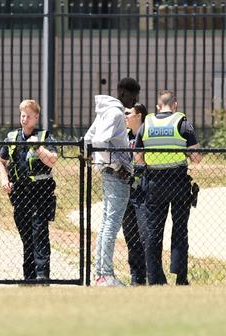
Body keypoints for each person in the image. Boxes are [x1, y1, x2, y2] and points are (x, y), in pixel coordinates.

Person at [135, 90, 202, 286]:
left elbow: (138, 158)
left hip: (154, 182)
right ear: (175, 105)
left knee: (154, 232)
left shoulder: (146, 123)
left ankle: (155, 279)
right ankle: (180, 277)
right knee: (180, 230)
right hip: (178, 181)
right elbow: (196, 157)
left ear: (158, 106)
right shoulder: (182, 123)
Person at [84, 77, 141, 287]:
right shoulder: (116, 112)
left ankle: (100, 273)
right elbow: (99, 141)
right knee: (111, 225)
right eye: (135, 95)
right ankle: (105, 274)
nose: (135, 100)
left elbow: (87, 138)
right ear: (124, 93)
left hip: (107, 172)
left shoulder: (105, 111)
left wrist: (94, 159)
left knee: (107, 223)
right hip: (116, 174)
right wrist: (117, 165)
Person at [0, 100, 58, 284]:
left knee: (39, 232)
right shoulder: (13, 137)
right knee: (26, 236)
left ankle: (42, 275)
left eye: (28, 116)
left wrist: (38, 148)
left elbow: (53, 160)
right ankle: (29, 277)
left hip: (41, 193)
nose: (24, 118)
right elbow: (0, 161)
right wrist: (4, 180)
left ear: (36, 118)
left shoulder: (44, 137)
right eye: (22, 115)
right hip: (20, 193)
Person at [122, 103, 149, 286]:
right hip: (127, 192)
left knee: (145, 235)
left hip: (145, 192)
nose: (125, 116)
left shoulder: (147, 136)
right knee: (130, 236)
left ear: (139, 115)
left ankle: (149, 275)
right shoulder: (124, 138)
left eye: (128, 113)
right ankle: (136, 278)